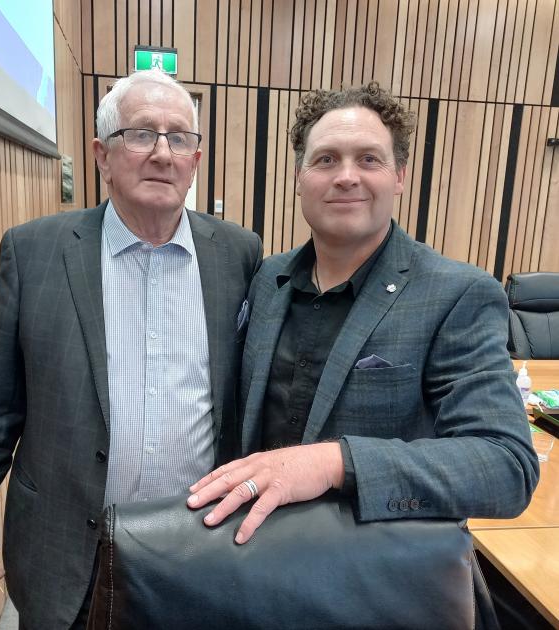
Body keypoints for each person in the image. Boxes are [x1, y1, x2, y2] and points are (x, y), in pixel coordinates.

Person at [0, 69, 262, 629]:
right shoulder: (35, 251)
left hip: (197, 547)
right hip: (68, 545)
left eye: (179, 138)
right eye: (140, 134)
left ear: (195, 160)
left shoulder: (238, 254)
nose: (162, 153)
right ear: (101, 155)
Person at [188, 82, 539, 545]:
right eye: (326, 159)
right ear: (299, 177)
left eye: (369, 159)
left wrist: (334, 462)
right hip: (249, 560)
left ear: (399, 176)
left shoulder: (459, 293)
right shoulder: (266, 279)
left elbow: (506, 466)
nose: (346, 176)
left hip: (369, 579)